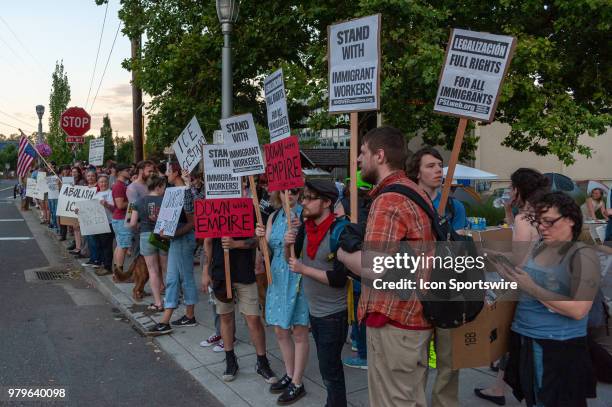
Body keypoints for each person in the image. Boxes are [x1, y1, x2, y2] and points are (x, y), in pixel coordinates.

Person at [337, 126, 436, 407]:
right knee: (410, 398)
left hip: (395, 321)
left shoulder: (390, 198)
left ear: (379, 156)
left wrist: (344, 256)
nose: (357, 160)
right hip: (413, 318)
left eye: (362, 153)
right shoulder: (414, 191)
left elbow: (375, 266)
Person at [499, 191, 600, 406]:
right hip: (527, 338)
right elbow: (525, 274)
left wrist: (531, 287)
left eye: (548, 222)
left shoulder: (582, 255)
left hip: (556, 347)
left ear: (571, 220)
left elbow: (579, 310)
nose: (542, 227)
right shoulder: (540, 247)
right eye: (538, 222)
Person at [474, 168, 550, 406]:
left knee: (512, 335)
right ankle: (499, 387)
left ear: (518, 190)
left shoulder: (523, 218)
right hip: (543, 282)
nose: (508, 191)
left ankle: (507, 388)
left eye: (511, 187)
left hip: (524, 284)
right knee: (515, 338)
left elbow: (518, 258)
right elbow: (525, 240)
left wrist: (492, 253)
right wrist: (509, 211)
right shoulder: (541, 213)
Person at [404, 146, 468, 406]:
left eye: (440, 165)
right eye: (430, 166)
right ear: (416, 172)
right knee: (415, 363)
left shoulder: (454, 205)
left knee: (449, 362)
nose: (438, 170)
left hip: (448, 292)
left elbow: (462, 247)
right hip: (416, 294)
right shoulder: (406, 203)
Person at [285, 179, 350, 407]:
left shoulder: (340, 232)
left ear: (326, 202)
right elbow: (292, 262)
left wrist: (304, 269)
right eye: (303, 197)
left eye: (309, 198)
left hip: (333, 314)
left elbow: (340, 279)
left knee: (330, 371)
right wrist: (287, 244)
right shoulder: (306, 228)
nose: (303, 202)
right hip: (315, 310)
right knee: (327, 368)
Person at [201, 197, 277, 385]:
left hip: (244, 272)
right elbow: (208, 242)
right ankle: (230, 360)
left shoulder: (247, 207)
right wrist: (205, 270)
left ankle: (262, 362)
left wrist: (236, 244)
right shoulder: (212, 207)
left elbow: (255, 241)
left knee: (253, 318)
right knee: (226, 318)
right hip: (220, 273)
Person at [255, 188, 309, 404]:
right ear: (279, 194)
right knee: (279, 329)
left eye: (295, 191)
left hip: (297, 273)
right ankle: (289, 373)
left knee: (298, 330)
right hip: (276, 275)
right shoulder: (274, 216)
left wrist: (296, 238)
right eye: (287, 192)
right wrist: (260, 238)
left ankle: (297, 382)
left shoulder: (305, 215)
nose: (291, 195)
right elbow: (266, 250)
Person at [147, 163, 198, 334]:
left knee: (182, 278)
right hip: (177, 238)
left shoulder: (184, 192)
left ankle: (174, 318)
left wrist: (173, 233)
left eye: (167, 171)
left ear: (175, 172)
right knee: (174, 278)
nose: (164, 174)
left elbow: (192, 223)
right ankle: (179, 316)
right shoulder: (172, 191)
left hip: (183, 239)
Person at [128, 174, 168, 312]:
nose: (165, 189)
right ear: (158, 186)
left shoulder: (138, 202)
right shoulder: (166, 200)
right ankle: (170, 298)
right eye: (164, 186)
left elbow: (132, 223)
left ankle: (158, 302)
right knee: (166, 268)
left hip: (146, 235)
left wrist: (138, 226)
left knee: (153, 271)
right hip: (163, 235)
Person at [111, 164, 132, 276]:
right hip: (121, 219)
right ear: (119, 172)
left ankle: (117, 274)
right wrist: (134, 201)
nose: (130, 171)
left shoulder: (122, 185)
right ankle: (119, 275)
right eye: (127, 170)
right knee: (122, 246)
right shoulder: (119, 186)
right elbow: (120, 205)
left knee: (120, 245)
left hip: (121, 219)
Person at [94, 174, 115, 276]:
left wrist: (106, 204)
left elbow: (114, 209)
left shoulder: (111, 193)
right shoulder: (96, 194)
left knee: (107, 246)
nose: (103, 183)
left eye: (105, 181)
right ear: (98, 183)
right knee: (100, 245)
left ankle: (108, 267)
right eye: (101, 182)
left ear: (108, 182)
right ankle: (103, 264)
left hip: (109, 222)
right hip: (98, 224)